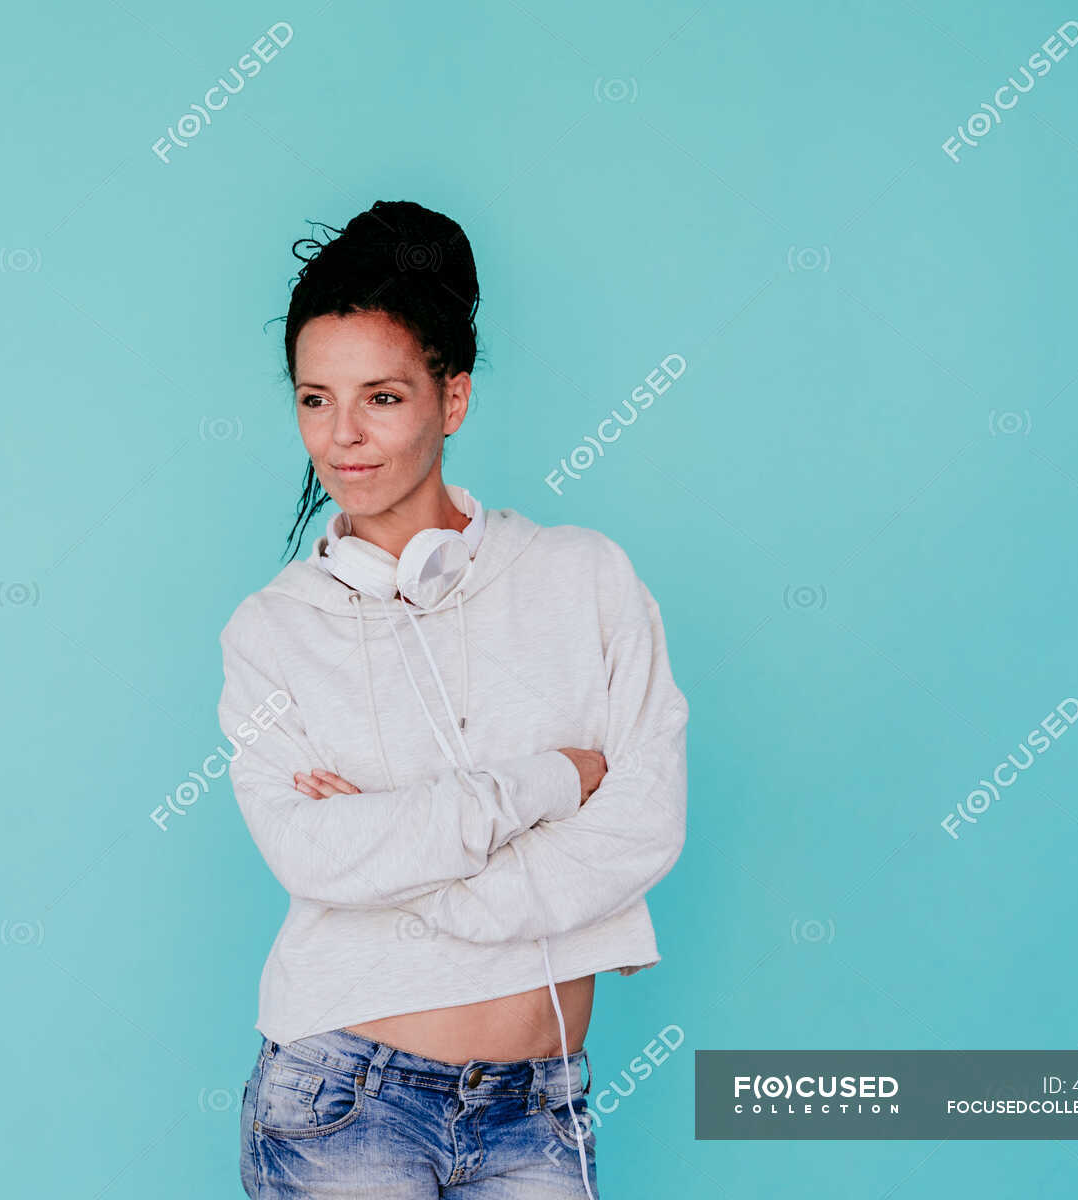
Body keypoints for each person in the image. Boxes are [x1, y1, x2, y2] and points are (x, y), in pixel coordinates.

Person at [218, 199, 689, 1199]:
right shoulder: (271, 631)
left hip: (541, 1107)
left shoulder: (585, 580)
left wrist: (411, 870)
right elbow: (310, 853)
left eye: (381, 398)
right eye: (314, 399)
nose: (342, 437)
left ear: (453, 397)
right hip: (344, 1103)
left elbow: (645, 822)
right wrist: (550, 779)